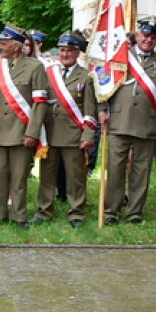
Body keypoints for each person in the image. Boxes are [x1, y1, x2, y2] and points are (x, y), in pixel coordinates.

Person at [101, 16, 156, 224]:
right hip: (119, 122)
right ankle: (111, 210)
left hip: (147, 123)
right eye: (145, 35)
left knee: (141, 170)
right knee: (115, 168)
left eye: (153, 37)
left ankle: (134, 211)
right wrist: (101, 110)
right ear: (138, 35)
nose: (148, 40)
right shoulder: (121, 57)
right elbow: (103, 87)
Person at [0, 24, 47, 228]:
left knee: (19, 178)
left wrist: (33, 132)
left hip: (22, 130)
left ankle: (19, 216)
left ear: (16, 46)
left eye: (4, 43)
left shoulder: (35, 67)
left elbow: (39, 103)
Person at [31, 30, 96, 227]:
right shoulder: (49, 73)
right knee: (47, 175)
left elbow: (90, 110)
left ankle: (76, 212)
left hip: (73, 134)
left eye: (69, 50)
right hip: (50, 132)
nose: (65, 54)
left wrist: (87, 135)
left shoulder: (86, 77)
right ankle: (44, 210)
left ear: (78, 53)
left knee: (75, 176)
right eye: (62, 50)